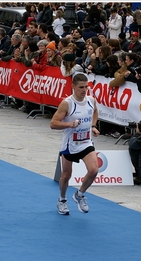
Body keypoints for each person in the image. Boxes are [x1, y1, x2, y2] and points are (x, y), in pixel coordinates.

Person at [50, 73, 100, 215]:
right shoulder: (67, 103)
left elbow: (95, 112)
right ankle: (62, 199)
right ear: (73, 87)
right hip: (70, 144)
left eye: (86, 87)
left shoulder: (91, 100)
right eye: (81, 87)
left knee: (93, 170)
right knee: (66, 175)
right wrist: (70, 124)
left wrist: (93, 126)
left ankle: (79, 195)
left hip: (86, 142)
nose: (84, 90)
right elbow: (53, 124)